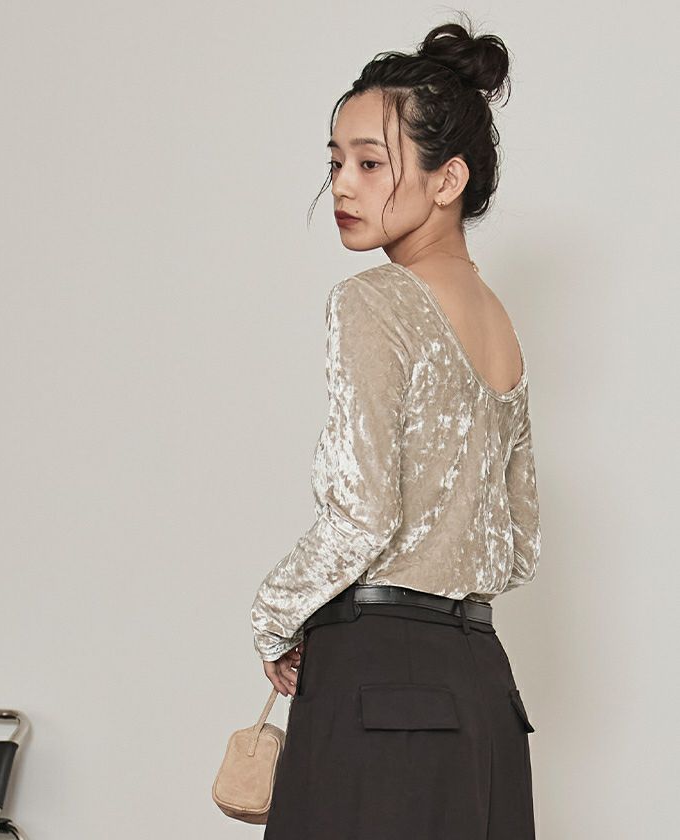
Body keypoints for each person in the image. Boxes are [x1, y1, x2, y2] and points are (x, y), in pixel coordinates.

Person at [249, 16, 542, 839]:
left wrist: (275, 614)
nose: (344, 185)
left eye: (371, 163)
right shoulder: (499, 326)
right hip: (485, 698)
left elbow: (364, 513)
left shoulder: (374, 301)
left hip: (378, 691)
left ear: (449, 180)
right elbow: (520, 545)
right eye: (335, 162)